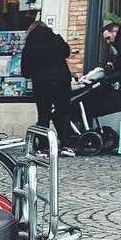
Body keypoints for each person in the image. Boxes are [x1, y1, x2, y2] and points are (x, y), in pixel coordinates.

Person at [20, 21, 76, 156]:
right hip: (62, 81)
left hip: (41, 84)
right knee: (63, 112)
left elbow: (25, 71)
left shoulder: (30, 45)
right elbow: (67, 52)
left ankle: (44, 148)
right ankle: (66, 145)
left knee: (44, 114)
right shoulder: (56, 39)